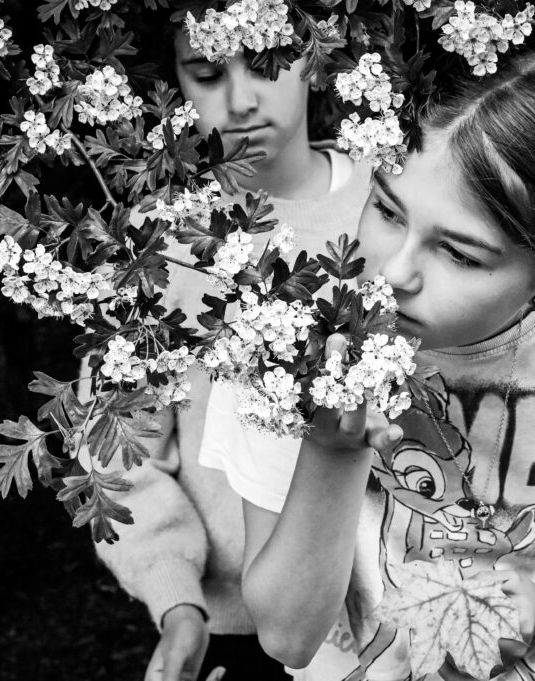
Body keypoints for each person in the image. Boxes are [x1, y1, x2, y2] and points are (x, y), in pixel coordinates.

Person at [200, 50, 535, 681]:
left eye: (459, 254)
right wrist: (331, 450)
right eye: (387, 211)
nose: (395, 272)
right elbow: (287, 637)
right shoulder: (287, 345)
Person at [83, 22, 373, 681]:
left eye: (266, 60)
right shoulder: (156, 243)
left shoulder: (399, 205)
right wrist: (176, 602)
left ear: (314, 52)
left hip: (401, 608)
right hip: (240, 630)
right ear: (176, 82)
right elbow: (116, 452)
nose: (241, 100)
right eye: (209, 73)